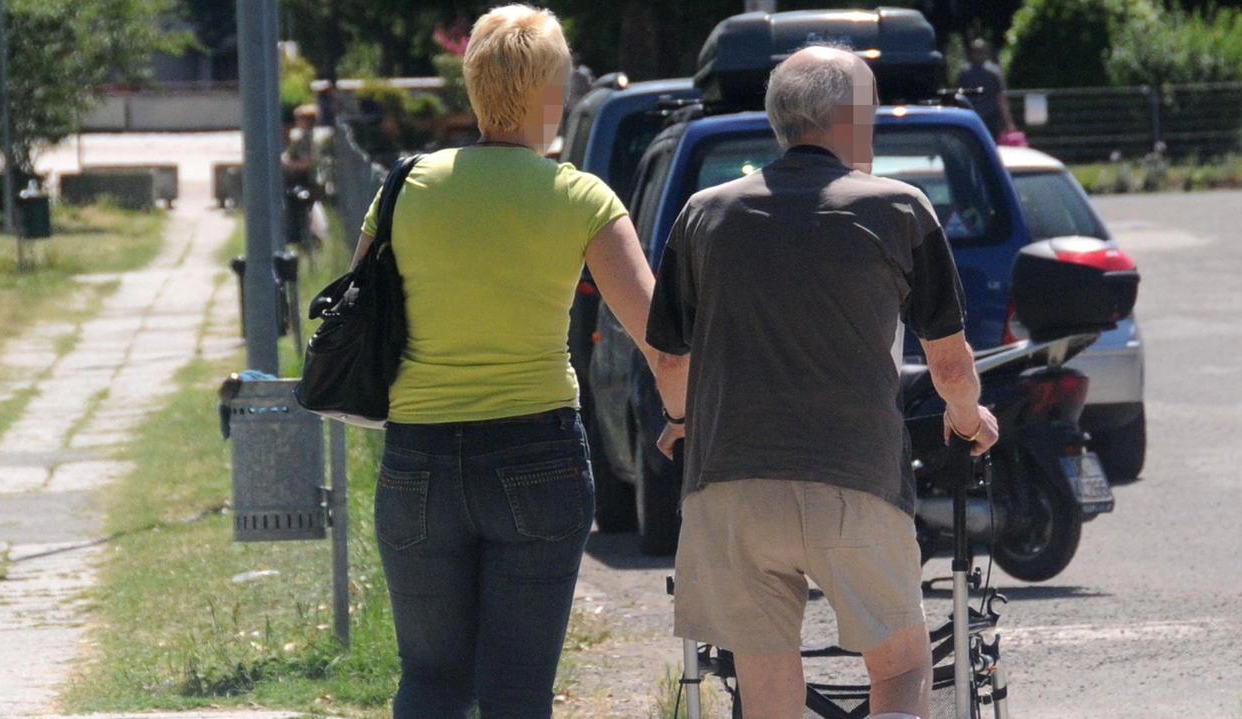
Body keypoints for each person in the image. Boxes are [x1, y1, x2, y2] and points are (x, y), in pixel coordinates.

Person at [647, 47, 999, 719]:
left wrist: (684, 418)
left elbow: (670, 360)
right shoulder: (899, 208)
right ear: (845, 118)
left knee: (764, 677)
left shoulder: (703, 214)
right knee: (900, 665)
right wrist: (966, 418)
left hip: (730, 484)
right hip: (854, 477)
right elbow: (950, 365)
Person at [350, 5, 665, 718]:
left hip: (418, 460)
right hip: (537, 455)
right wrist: (686, 417)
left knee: (429, 678)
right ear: (553, 94)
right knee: (517, 689)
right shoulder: (580, 195)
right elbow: (656, 335)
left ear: (473, 86)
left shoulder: (404, 187)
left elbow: (360, 307)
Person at [956, 38, 1017, 141]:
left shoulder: (964, 73)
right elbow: (1001, 98)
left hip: (971, 117)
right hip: (991, 119)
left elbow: (958, 96)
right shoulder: (994, 72)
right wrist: (1009, 122)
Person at [282, 103, 320, 187]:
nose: (296, 122)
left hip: (306, 181)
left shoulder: (307, 139)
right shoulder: (318, 136)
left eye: (298, 119)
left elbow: (305, 164)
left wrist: (286, 163)